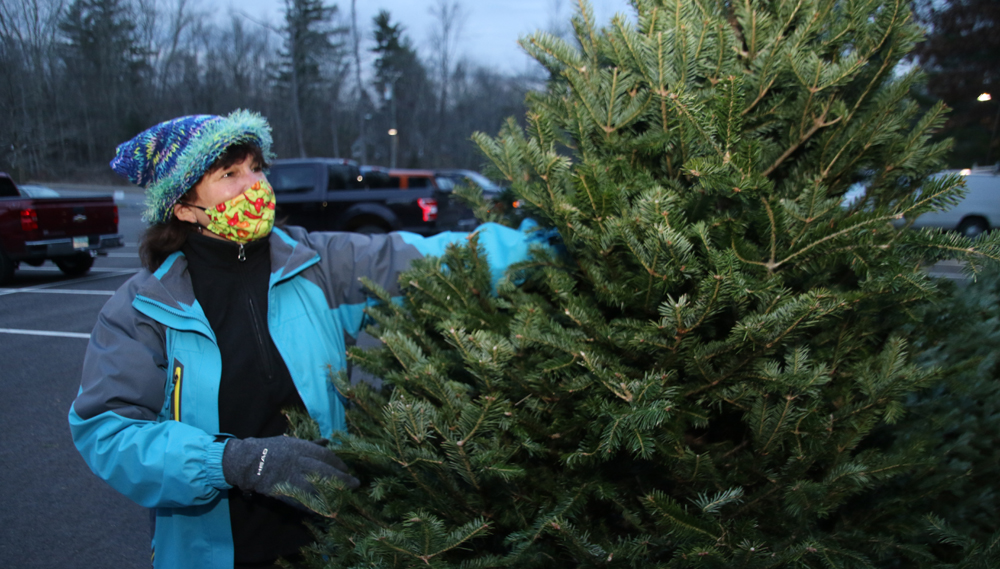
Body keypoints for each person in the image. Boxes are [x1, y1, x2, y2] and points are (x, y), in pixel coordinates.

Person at [68, 110, 541, 569]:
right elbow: (109, 433)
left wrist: (551, 241)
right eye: (230, 174)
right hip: (212, 551)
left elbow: (435, 257)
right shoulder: (143, 308)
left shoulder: (320, 264)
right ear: (183, 206)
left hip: (328, 544)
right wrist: (233, 461)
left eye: (256, 168)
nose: (254, 185)